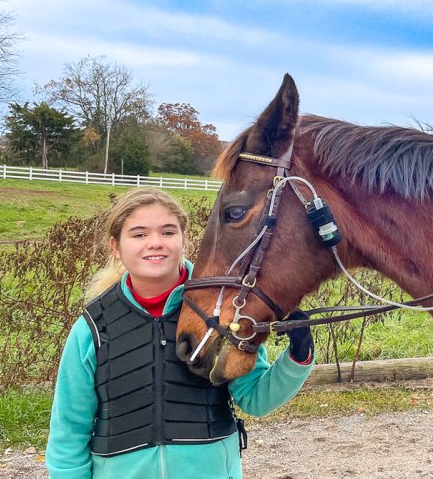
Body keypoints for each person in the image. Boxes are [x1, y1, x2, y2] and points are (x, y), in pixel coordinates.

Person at [47, 187, 315, 478]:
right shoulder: (93, 328)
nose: (155, 243)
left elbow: (255, 398)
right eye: (139, 234)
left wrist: (297, 357)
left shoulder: (222, 311)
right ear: (116, 248)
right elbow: (69, 431)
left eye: (168, 232)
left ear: (185, 240)